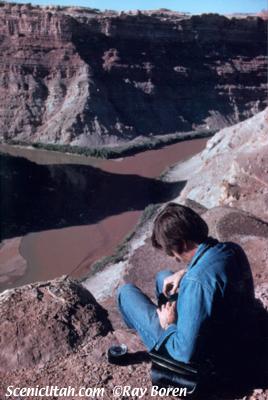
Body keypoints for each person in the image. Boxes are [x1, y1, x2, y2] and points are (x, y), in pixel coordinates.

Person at [117, 203, 255, 375]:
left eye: (171, 252)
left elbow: (184, 353)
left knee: (126, 293)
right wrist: (185, 272)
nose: (174, 259)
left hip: (210, 361)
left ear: (181, 244)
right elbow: (211, 270)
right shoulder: (232, 249)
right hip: (237, 333)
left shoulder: (196, 282)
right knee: (164, 276)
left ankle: (148, 338)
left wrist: (169, 324)